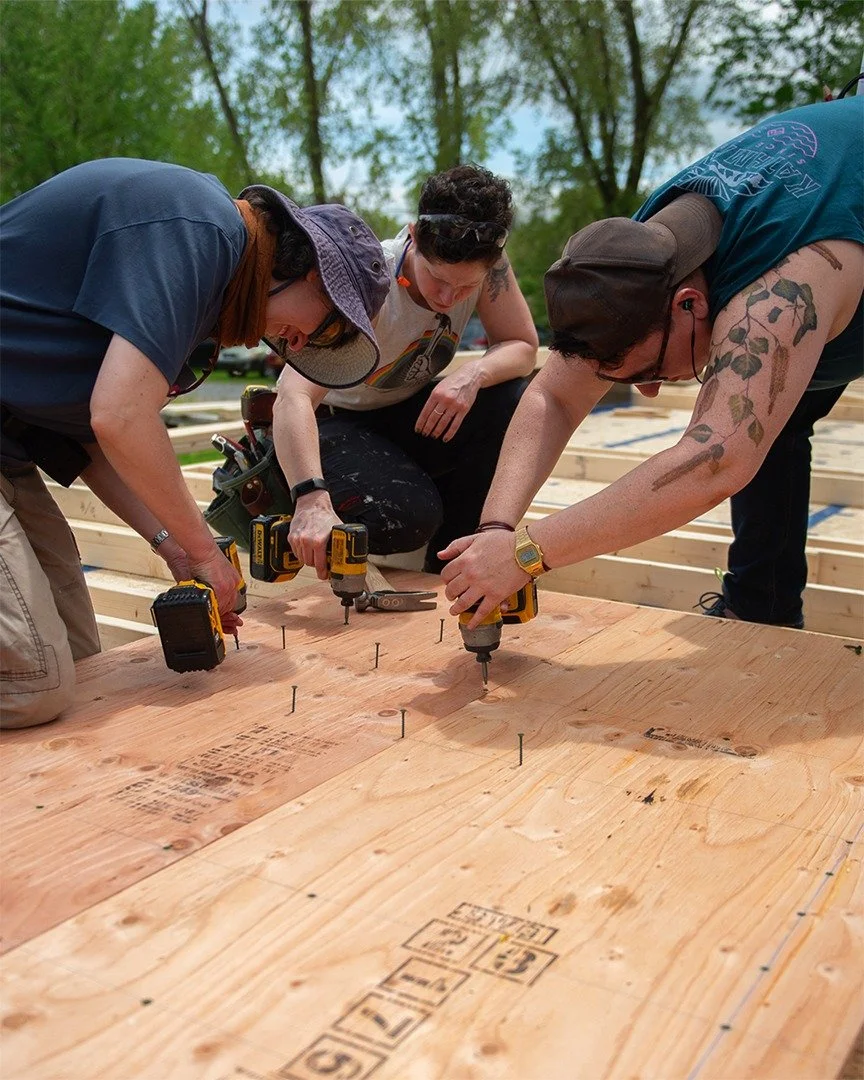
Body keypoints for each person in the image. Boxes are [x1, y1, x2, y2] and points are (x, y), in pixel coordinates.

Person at [440, 96, 863, 631]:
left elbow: (715, 460)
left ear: (690, 303)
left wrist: (526, 554)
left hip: (832, 232)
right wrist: (496, 530)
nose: (651, 391)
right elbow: (553, 395)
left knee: (745, 420)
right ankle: (764, 609)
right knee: (769, 412)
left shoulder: (775, 296)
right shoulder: (632, 258)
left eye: (651, 371)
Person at [0, 157, 389, 728]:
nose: (303, 343)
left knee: (83, 659)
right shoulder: (199, 229)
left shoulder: (209, 281)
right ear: (314, 273)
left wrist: (175, 546)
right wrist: (206, 552)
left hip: (10, 449)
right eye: (330, 326)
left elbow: (96, 440)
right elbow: (121, 416)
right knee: (34, 685)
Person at [270, 164, 538, 579]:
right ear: (413, 236)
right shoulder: (370, 278)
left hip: (400, 414)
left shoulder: (492, 267)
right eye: (436, 277)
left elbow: (522, 346)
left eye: (466, 287)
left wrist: (473, 374)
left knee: (516, 399)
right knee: (408, 518)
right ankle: (288, 491)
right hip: (331, 422)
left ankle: (454, 560)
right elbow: (293, 394)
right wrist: (310, 497)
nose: (448, 298)